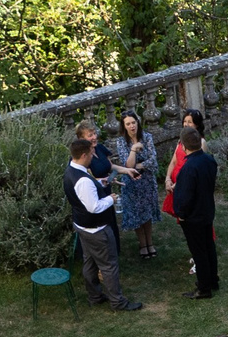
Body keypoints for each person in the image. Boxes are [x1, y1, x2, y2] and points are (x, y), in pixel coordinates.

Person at [64, 133, 142, 312]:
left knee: (90, 263)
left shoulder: (71, 170)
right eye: (91, 154)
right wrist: (111, 199)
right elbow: (94, 207)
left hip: (82, 226)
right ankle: (118, 301)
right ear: (83, 155)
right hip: (96, 229)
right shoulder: (83, 180)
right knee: (109, 266)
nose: (93, 156)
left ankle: (95, 296)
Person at [171, 125, 220, 299]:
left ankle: (204, 288)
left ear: (183, 146)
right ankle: (212, 280)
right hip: (206, 210)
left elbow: (185, 197)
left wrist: (181, 214)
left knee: (199, 252)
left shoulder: (188, 167)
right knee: (209, 248)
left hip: (193, 217)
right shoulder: (209, 160)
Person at [111, 111, 159, 260]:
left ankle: (150, 242)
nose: (132, 126)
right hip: (131, 183)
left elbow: (153, 161)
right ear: (124, 127)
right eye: (128, 124)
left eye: (133, 122)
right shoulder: (121, 142)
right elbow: (127, 164)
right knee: (136, 214)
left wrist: (138, 165)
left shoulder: (147, 138)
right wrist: (133, 149)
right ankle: (143, 244)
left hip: (147, 182)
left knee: (147, 212)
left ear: (138, 122)